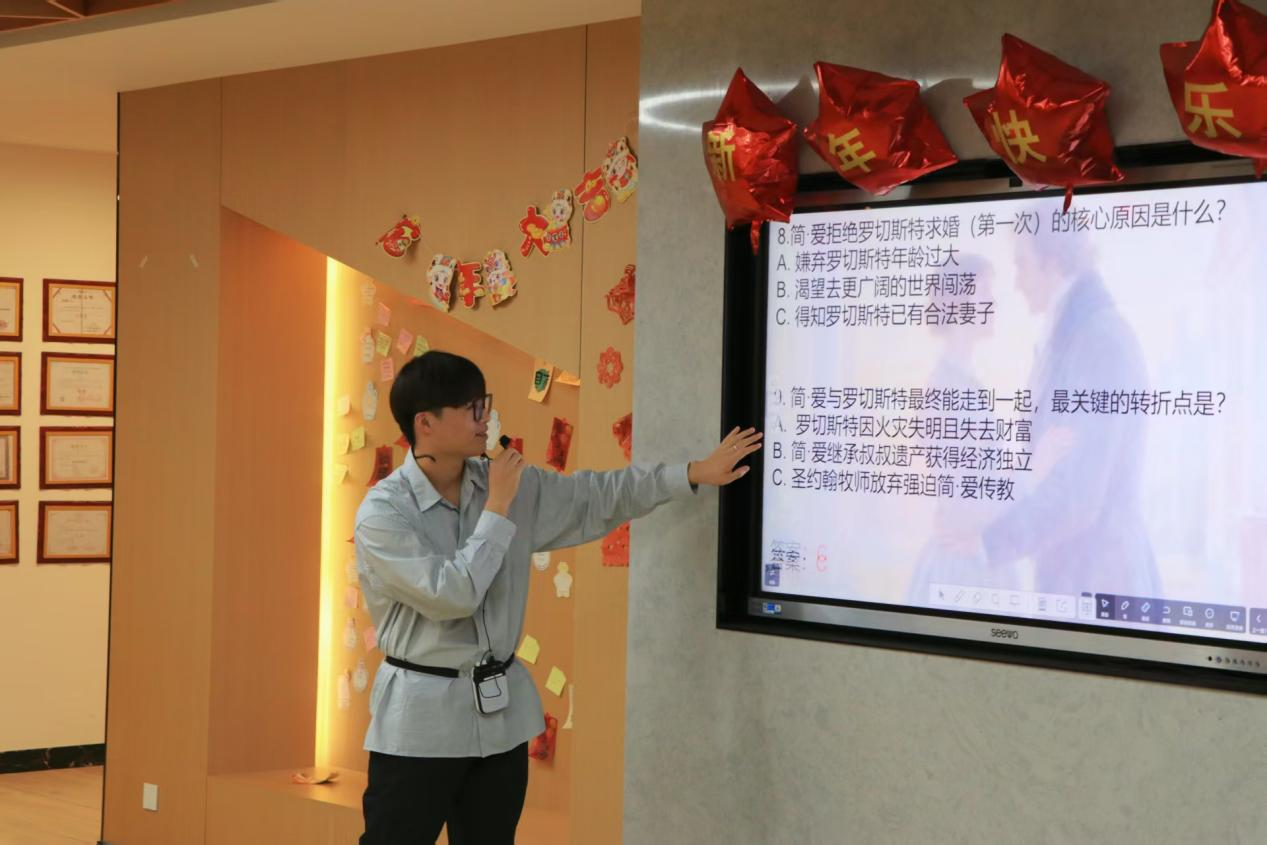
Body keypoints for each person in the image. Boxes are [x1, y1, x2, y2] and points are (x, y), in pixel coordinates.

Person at [355, 350, 761, 844]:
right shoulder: (385, 513)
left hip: (499, 723)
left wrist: (693, 472)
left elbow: (596, 496)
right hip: (419, 726)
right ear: (426, 423)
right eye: (471, 409)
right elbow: (452, 595)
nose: (486, 419)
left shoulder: (504, 482)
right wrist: (498, 507)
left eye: (485, 403)